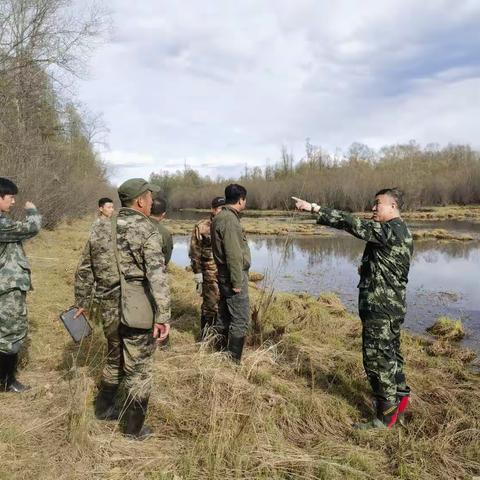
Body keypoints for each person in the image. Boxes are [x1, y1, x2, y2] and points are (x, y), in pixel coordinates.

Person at [293, 188, 413, 429]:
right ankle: (399, 403)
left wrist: (315, 208)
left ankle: (385, 416)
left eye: (377, 204)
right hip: (390, 307)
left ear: (392, 206)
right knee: (391, 354)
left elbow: (353, 224)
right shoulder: (399, 230)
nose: (373, 208)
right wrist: (368, 270)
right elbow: (391, 265)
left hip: (381, 308)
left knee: (377, 358)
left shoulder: (390, 230)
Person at [74, 178, 170, 440]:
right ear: (140, 201)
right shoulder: (147, 230)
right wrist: (163, 316)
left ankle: (103, 408)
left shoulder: (100, 228)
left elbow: (84, 270)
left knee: (115, 357)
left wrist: (82, 302)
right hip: (137, 310)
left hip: (108, 308)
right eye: (149, 197)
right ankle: (134, 429)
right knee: (140, 369)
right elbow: (157, 276)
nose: (151, 201)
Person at [0, 177, 42, 392]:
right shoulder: (2, 223)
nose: (13, 201)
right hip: (7, 289)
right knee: (11, 332)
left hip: (6, 286)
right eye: (10, 197)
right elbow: (32, 228)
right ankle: (7, 382)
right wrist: (32, 210)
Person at [211, 184, 251, 362]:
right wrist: (236, 282)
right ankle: (232, 361)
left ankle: (218, 352)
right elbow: (234, 255)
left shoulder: (221, 217)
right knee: (240, 319)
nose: (245, 202)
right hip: (232, 277)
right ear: (241, 199)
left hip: (224, 275)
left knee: (225, 315)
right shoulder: (229, 220)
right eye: (245, 199)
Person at [189, 196, 225, 340]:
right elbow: (194, 250)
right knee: (210, 306)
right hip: (208, 273)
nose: (220, 211)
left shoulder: (228, 224)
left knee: (223, 305)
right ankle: (204, 339)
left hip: (224, 273)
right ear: (213, 209)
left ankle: (219, 337)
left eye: (223, 208)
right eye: (218, 208)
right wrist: (198, 274)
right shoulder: (202, 225)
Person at [149, 196, 173, 266]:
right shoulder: (165, 233)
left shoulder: (136, 224)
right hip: (155, 272)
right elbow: (166, 259)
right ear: (163, 214)